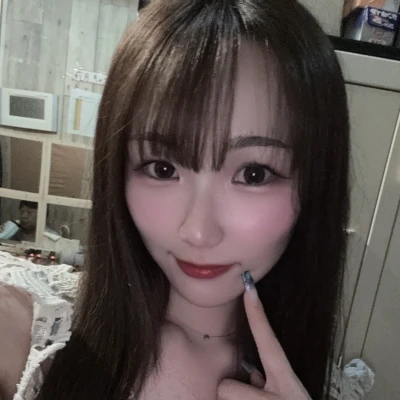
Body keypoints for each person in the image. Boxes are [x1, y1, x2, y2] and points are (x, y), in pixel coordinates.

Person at [0, 1, 375, 399]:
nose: (198, 232)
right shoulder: (33, 336)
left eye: (254, 174)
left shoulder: (321, 384)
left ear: (316, 184)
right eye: (162, 169)